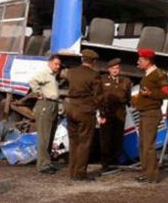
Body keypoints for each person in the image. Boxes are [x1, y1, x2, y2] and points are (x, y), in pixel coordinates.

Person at [131, 48, 168, 183]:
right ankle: (145, 171)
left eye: (140, 60)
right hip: (144, 113)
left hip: (151, 114)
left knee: (148, 145)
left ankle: (151, 175)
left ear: (148, 61)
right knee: (142, 145)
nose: (138, 62)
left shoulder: (159, 75)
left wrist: (151, 93)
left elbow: (166, 93)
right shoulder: (147, 74)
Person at [64, 49, 102, 181]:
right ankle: (80, 173)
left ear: (82, 59)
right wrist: (95, 107)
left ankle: (72, 171)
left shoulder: (71, 72)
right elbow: (99, 97)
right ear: (93, 62)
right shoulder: (94, 75)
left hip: (70, 109)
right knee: (84, 142)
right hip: (85, 110)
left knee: (73, 140)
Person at [29, 55, 62, 174]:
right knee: (44, 136)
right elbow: (32, 80)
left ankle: (47, 162)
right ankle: (43, 165)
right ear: (50, 63)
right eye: (55, 64)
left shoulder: (53, 76)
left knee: (50, 135)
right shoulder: (44, 73)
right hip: (45, 104)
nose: (57, 67)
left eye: (59, 65)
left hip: (52, 104)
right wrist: (38, 92)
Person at [99, 58, 132, 172]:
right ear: (109, 69)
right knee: (105, 138)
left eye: (117, 68)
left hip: (120, 112)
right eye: (112, 68)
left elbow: (128, 97)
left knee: (117, 138)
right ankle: (105, 163)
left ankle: (115, 161)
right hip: (106, 112)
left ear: (120, 69)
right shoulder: (102, 80)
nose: (115, 70)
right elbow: (99, 96)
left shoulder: (126, 81)